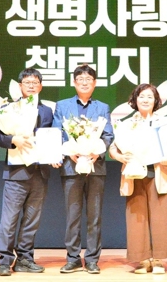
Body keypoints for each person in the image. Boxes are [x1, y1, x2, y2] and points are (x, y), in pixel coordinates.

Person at [0, 68, 55, 276]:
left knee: (31, 220)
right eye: (27, 82)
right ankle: (4, 261)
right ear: (20, 86)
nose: (31, 86)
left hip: (40, 172)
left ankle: (25, 259)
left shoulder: (47, 111)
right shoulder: (9, 109)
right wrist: (13, 140)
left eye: (35, 82)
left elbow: (52, 136)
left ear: (41, 86)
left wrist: (54, 155)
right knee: (9, 219)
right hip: (16, 172)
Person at [108, 83, 167, 274]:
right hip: (134, 174)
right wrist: (120, 157)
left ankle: (158, 260)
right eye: (141, 96)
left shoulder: (165, 123)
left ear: (156, 101)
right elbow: (113, 148)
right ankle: (143, 260)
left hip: (158, 174)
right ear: (135, 100)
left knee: (160, 217)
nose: (145, 100)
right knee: (137, 218)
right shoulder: (126, 124)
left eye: (149, 97)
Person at [52, 65, 114, 275]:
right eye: (80, 79)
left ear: (94, 83)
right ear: (74, 82)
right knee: (73, 215)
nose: (84, 82)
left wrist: (97, 152)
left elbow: (108, 135)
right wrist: (69, 151)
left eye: (89, 79)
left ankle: (92, 259)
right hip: (71, 167)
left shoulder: (102, 107)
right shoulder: (63, 105)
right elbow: (57, 132)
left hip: (96, 168)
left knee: (94, 216)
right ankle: (73, 258)